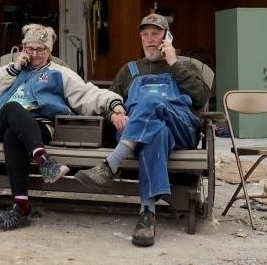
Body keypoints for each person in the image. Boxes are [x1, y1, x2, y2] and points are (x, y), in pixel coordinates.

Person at [75, 13, 208, 247]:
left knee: (150, 101)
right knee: (156, 133)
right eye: (144, 35)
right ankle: (147, 214)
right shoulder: (129, 70)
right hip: (138, 135)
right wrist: (113, 114)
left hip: (180, 130)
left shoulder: (184, 66)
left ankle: (110, 165)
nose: (149, 39)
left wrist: (174, 64)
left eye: (155, 34)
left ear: (167, 38)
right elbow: (107, 101)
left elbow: (201, 97)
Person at [0, 23, 123, 231]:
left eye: (41, 49)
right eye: (30, 49)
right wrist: (13, 69)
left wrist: (113, 103)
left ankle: (21, 207)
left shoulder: (60, 73)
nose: (35, 54)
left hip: (39, 128)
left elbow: (87, 93)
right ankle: (45, 161)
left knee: (14, 135)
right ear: (22, 47)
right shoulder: (10, 69)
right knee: (13, 108)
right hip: (0, 122)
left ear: (50, 51)